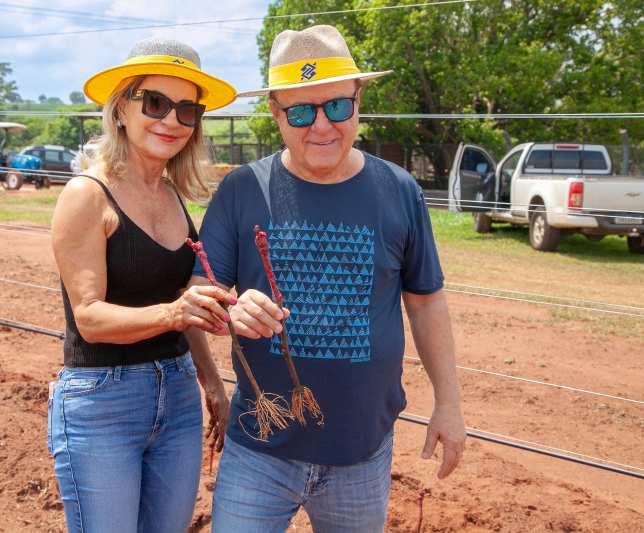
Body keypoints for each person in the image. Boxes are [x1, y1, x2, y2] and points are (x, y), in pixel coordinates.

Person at [190, 25, 466, 532]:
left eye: (337, 106)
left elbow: (426, 300)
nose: (321, 126)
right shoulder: (241, 190)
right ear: (275, 114)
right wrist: (231, 308)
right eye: (300, 111)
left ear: (358, 101)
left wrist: (448, 403)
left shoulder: (399, 191)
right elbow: (195, 294)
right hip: (260, 450)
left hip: (362, 454)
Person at [48, 37, 238, 533]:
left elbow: (187, 306)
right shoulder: (87, 195)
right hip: (102, 401)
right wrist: (176, 313)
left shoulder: (173, 197)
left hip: (176, 399)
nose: (170, 120)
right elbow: (89, 319)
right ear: (121, 109)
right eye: (155, 102)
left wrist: (212, 383)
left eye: (187, 110)